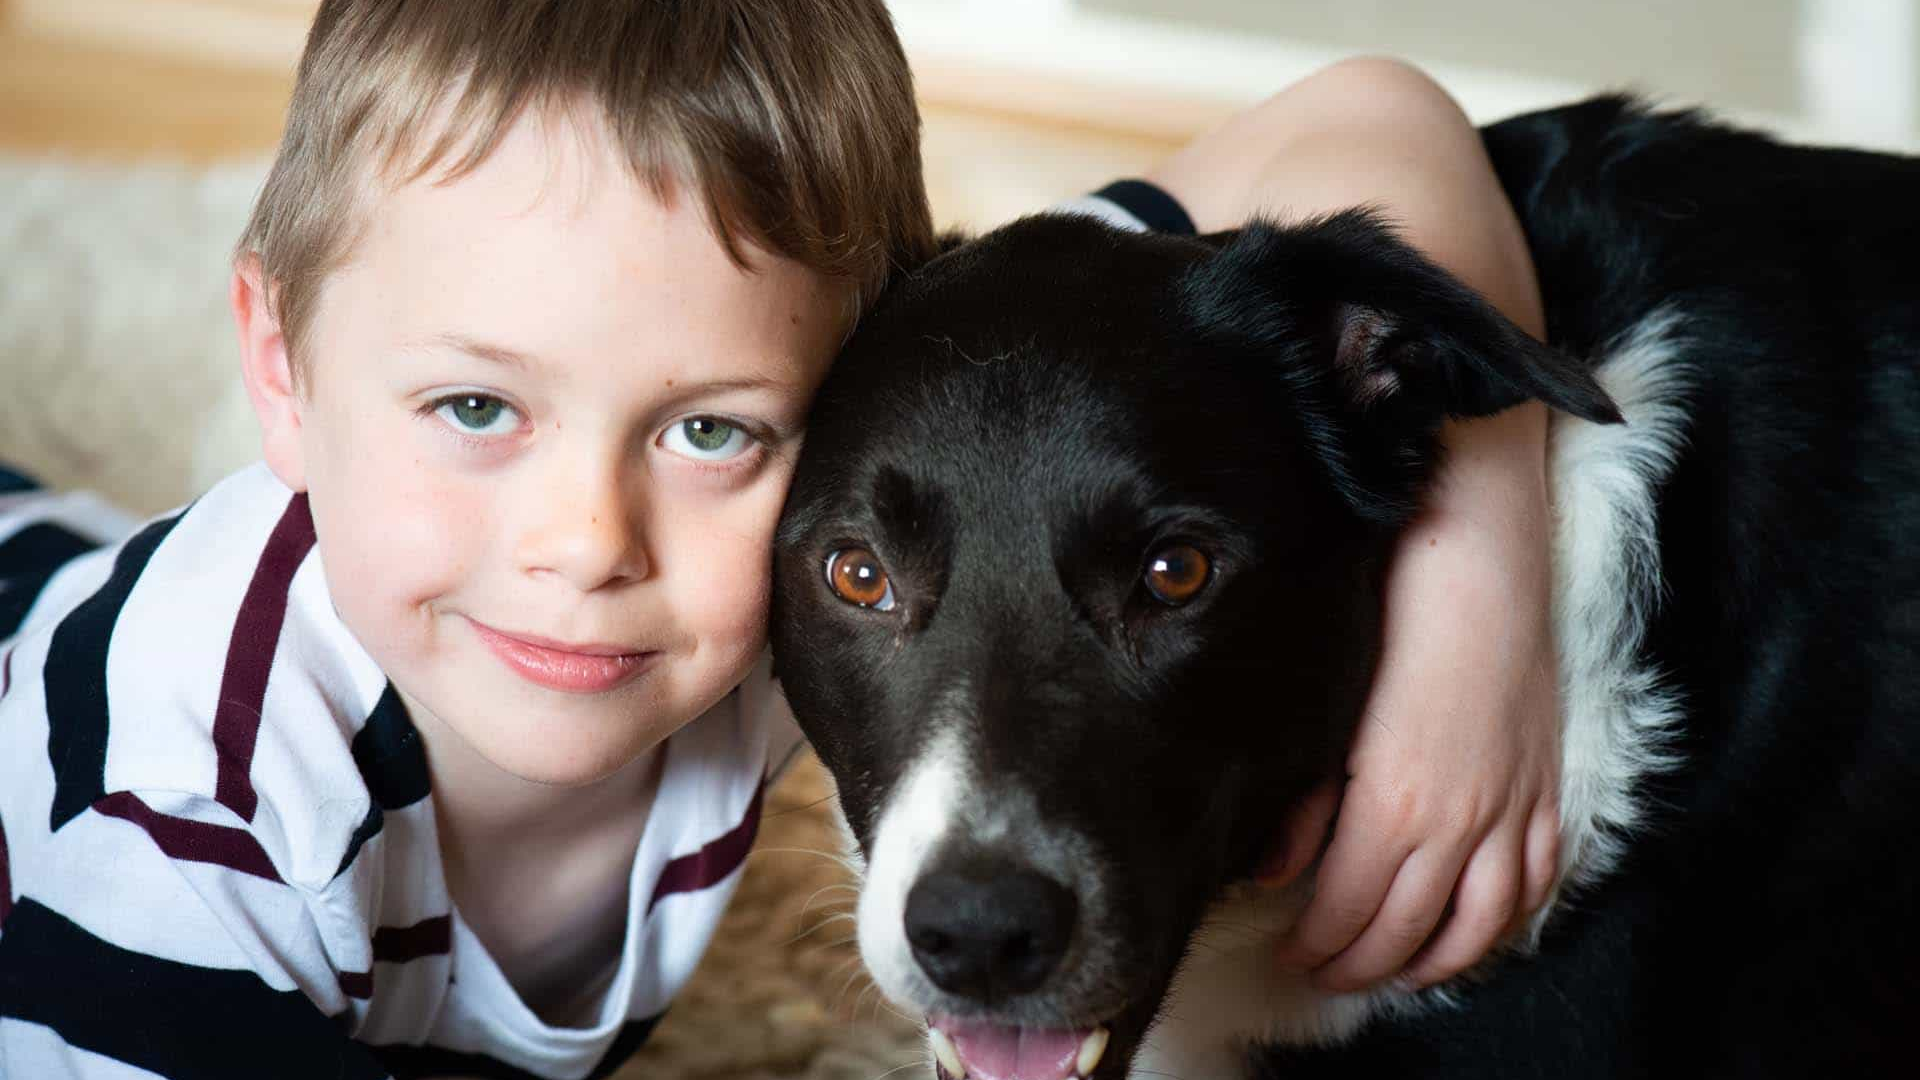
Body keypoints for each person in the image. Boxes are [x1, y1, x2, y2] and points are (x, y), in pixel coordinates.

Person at [0, 1, 1558, 1075]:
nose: (587, 543)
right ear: (278, 370)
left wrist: (1479, 610)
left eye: (709, 430)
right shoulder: (180, 836)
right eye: (477, 406)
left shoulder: (790, 563)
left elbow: (1368, 112)